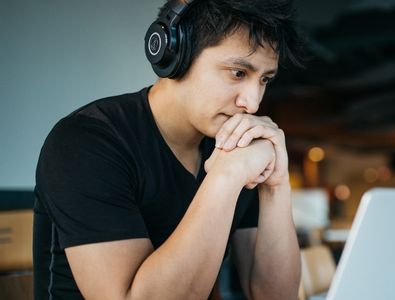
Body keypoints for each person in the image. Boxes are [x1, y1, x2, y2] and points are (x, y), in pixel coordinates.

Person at [32, 0, 303, 299]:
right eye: (238, 73)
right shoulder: (87, 141)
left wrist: (276, 184)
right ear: (176, 54)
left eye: (264, 79)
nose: (252, 103)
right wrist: (225, 178)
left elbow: (275, 296)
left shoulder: (235, 144)